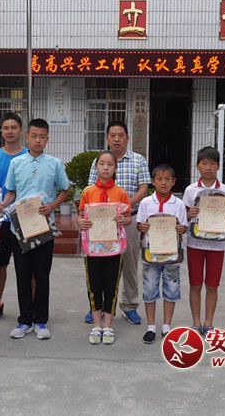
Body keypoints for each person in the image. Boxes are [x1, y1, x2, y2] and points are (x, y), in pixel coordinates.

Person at [0, 118, 69, 340]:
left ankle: (41, 321)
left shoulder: (55, 163)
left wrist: (52, 206)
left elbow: (65, 190)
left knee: (42, 274)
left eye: (42, 137)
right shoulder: (16, 163)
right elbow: (11, 192)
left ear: (47, 139)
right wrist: (3, 204)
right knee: (22, 274)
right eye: (34, 136)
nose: (38, 140)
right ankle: (25, 320)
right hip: (19, 227)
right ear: (27, 137)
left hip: (44, 226)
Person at [87, 121, 151, 325]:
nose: (116, 139)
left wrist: (124, 206)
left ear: (127, 138)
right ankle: (96, 307)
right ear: (107, 138)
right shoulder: (99, 160)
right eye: (112, 135)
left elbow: (144, 188)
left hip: (128, 220)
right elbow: (91, 188)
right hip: (101, 223)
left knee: (130, 265)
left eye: (120, 135)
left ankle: (129, 306)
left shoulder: (138, 160)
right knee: (99, 265)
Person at [78, 151, 131, 345]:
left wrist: (123, 219)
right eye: (102, 164)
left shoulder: (121, 193)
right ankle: (96, 324)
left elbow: (128, 218)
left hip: (114, 247)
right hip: (93, 248)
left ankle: (108, 325)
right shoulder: (88, 192)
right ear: (96, 167)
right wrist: (80, 222)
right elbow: (80, 215)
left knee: (111, 285)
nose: (106, 167)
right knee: (94, 285)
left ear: (115, 168)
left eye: (110, 164)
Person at [182, 147, 225, 335]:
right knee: (195, 284)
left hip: (217, 245)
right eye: (204, 163)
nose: (208, 167)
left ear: (218, 166)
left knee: (212, 286)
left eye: (212, 164)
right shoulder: (191, 190)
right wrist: (189, 214)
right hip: (195, 244)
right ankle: (196, 322)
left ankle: (209, 322)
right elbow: (183, 217)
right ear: (197, 165)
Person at [0, 112, 28, 322]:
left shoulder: (29, 156)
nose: (10, 131)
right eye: (6, 128)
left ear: (21, 131)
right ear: (1, 131)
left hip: (24, 220)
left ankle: (30, 307)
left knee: (27, 267)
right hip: (0, 221)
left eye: (13, 127)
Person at [136, 164, 188, 344]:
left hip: (172, 254)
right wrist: (142, 227)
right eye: (159, 179)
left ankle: (166, 326)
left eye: (167, 179)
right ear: (153, 181)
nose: (163, 182)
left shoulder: (179, 204)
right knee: (150, 288)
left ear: (174, 182)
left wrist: (181, 229)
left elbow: (184, 226)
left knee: (171, 289)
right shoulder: (146, 202)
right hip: (151, 254)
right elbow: (139, 224)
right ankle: (151, 326)